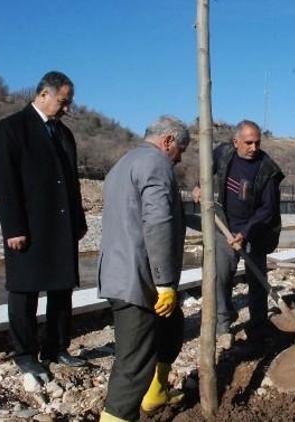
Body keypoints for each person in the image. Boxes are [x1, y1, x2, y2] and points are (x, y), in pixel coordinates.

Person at [0, 71, 88, 381]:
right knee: (25, 291)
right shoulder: (11, 128)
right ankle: (24, 353)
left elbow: (72, 182)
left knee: (61, 289)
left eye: (69, 103)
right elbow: (5, 184)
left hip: (62, 225)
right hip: (29, 227)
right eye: (63, 102)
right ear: (42, 95)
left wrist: (79, 220)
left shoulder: (64, 134)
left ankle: (56, 347)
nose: (66, 109)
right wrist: (13, 228)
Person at [97, 116, 191, 422]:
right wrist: (165, 283)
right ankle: (117, 416)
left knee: (171, 328)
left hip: (119, 271)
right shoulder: (157, 164)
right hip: (138, 280)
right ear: (167, 141)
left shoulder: (123, 165)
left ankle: (157, 393)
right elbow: (158, 222)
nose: (181, 157)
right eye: (181, 149)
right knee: (134, 363)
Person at [192, 120, 285, 349]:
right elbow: (208, 166)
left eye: (257, 142)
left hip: (256, 231)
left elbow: (268, 210)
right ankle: (223, 324)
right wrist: (198, 185)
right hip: (224, 225)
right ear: (236, 142)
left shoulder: (268, 170)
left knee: (257, 282)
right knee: (219, 275)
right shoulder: (224, 154)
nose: (254, 147)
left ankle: (258, 327)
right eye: (248, 143)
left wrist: (245, 232)